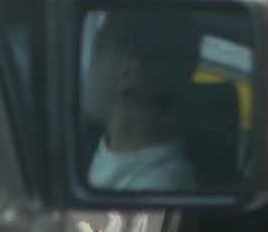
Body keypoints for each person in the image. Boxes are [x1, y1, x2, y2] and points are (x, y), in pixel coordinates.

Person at [81, 10, 202, 192]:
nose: (88, 65)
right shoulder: (96, 145)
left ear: (128, 71)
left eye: (98, 50)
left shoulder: (159, 185)